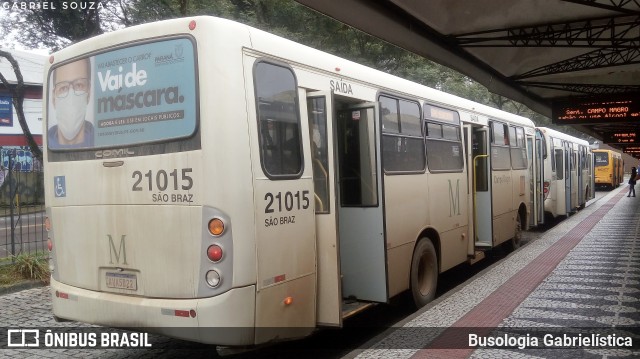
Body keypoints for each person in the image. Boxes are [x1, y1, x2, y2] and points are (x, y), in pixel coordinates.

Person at [48, 58, 94, 148]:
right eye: (63, 88)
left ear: (88, 93)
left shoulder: (102, 142)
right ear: (54, 98)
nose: (71, 97)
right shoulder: (48, 147)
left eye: (79, 85)